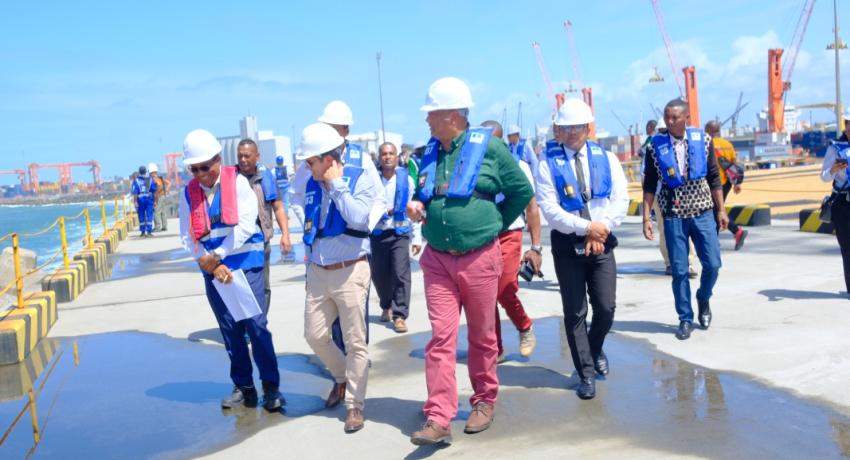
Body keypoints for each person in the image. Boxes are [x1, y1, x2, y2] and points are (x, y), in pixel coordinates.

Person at [407, 77, 533, 445]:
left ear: (453, 115)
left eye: (432, 113)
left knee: (482, 336)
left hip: (479, 257)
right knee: (441, 339)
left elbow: (521, 191)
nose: (427, 120)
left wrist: (494, 225)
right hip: (437, 261)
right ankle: (438, 415)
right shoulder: (429, 152)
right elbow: (423, 193)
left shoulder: (490, 149)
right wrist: (417, 205)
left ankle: (483, 400)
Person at [178, 129, 284, 413]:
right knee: (230, 330)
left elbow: (247, 225)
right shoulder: (187, 193)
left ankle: (271, 387)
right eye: (194, 168)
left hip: (244, 264)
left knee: (256, 326)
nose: (201, 174)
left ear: (217, 160)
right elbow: (186, 236)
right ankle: (244, 388)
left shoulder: (237, 183)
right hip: (214, 270)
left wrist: (218, 256)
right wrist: (208, 261)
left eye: (206, 167)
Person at [535, 99, 629, 400]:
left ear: (588, 128)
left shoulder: (608, 159)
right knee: (575, 312)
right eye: (566, 128)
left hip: (602, 239)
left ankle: (595, 347)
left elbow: (621, 199)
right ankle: (586, 374)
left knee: (605, 307)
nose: (573, 132)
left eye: (578, 127)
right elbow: (550, 209)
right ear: (558, 131)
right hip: (568, 243)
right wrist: (586, 228)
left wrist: (601, 228)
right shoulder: (546, 164)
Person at [294, 122, 380, 433]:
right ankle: (344, 376)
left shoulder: (360, 175)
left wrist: (336, 186)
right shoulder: (308, 180)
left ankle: (354, 405)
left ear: (328, 160)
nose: (307, 167)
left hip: (350, 268)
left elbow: (360, 218)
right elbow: (296, 203)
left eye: (311, 162)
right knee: (314, 335)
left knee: (356, 340)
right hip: (318, 270)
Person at [642, 98, 728, 341]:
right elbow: (649, 183)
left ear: (686, 118)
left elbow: (714, 177)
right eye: (667, 117)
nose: (670, 122)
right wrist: (646, 217)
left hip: (702, 212)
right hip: (673, 215)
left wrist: (721, 210)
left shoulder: (705, 141)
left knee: (713, 264)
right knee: (679, 270)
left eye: (675, 117)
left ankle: (703, 297)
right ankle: (685, 318)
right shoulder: (654, 147)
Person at [481, 120, 541, 360]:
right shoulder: (472, 165)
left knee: (504, 289)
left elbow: (532, 208)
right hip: (483, 235)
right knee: (485, 294)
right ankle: (495, 348)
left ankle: (524, 326)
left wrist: (536, 247)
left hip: (509, 233)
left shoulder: (519, 166)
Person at [236, 139, 293, 315]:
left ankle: (260, 322)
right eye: (240, 156)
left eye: (247, 156)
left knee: (263, 285)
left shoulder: (266, 177)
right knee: (240, 286)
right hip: (237, 243)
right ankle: (245, 324)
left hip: (262, 241)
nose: (243, 160)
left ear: (257, 156)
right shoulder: (230, 179)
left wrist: (285, 235)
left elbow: (278, 206)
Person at [371, 142, 421, 334]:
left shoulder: (406, 180)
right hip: (377, 234)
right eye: (384, 154)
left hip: (399, 233)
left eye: (391, 153)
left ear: (397, 156)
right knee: (379, 274)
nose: (388, 157)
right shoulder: (372, 181)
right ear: (379, 157)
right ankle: (386, 305)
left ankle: (400, 315)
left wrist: (416, 237)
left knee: (401, 273)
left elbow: (413, 208)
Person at [820, 109, 850, 296]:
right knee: (847, 247)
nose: (849, 127)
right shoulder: (835, 147)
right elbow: (823, 176)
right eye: (847, 123)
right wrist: (833, 169)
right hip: (843, 203)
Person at [705, 120, 747, 250]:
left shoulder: (708, 143)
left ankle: (735, 232)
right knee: (717, 210)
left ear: (710, 131)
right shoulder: (728, 145)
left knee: (715, 211)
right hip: (727, 182)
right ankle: (731, 234)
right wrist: (736, 184)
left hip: (714, 183)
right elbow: (734, 164)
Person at [132, 165, 157, 237]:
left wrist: (135, 202)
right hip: (149, 199)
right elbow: (154, 192)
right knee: (149, 215)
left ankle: (142, 232)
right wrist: (155, 201)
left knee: (141, 215)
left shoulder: (136, 181)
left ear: (139, 172)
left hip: (140, 200)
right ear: (146, 171)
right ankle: (149, 232)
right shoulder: (150, 180)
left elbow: (135, 193)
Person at [149, 162, 171, 232]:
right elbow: (169, 183)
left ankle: (157, 227)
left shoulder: (155, 179)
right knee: (163, 212)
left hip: (159, 197)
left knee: (156, 211)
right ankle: (164, 226)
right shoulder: (160, 178)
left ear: (151, 172)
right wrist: (167, 189)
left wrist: (156, 194)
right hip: (163, 196)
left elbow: (159, 186)